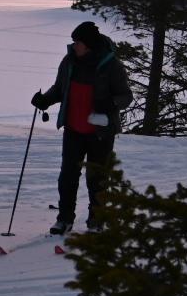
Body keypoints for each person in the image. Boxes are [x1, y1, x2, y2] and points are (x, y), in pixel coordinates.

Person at [30, 21, 132, 235]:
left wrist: (111, 103)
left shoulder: (111, 65)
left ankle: (96, 220)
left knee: (97, 179)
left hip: (100, 133)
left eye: (78, 42)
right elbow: (60, 89)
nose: (74, 45)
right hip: (73, 129)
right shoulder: (69, 61)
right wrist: (45, 100)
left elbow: (126, 96)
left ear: (89, 45)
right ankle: (64, 219)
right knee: (67, 176)